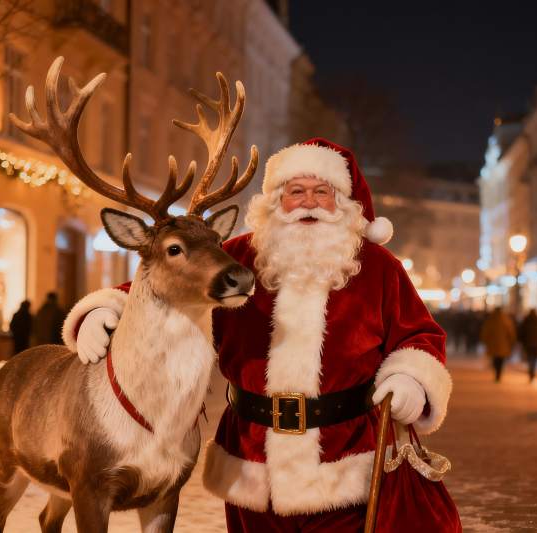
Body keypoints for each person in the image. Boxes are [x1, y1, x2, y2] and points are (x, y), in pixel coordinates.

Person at [61, 138, 455, 531]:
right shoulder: (240, 256)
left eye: (322, 192)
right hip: (252, 458)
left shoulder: (378, 267)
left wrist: (411, 379)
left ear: (344, 203)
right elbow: (164, 284)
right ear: (275, 201)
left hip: (346, 457)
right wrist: (103, 308)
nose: (308, 202)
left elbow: (419, 333)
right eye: (295, 191)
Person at [480, 307, 516, 382]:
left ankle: (496, 373)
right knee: (501, 359)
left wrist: (485, 340)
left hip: (493, 344)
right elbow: (511, 332)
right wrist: (512, 341)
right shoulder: (506, 320)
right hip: (503, 344)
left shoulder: (491, 320)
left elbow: (486, 331)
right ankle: (499, 374)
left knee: (495, 358)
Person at [518, 309, 537, 382]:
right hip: (536, 343)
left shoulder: (526, 321)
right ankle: (532, 370)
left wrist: (521, 341)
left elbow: (521, 332)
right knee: (534, 358)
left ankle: (531, 370)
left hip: (528, 343)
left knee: (530, 357)